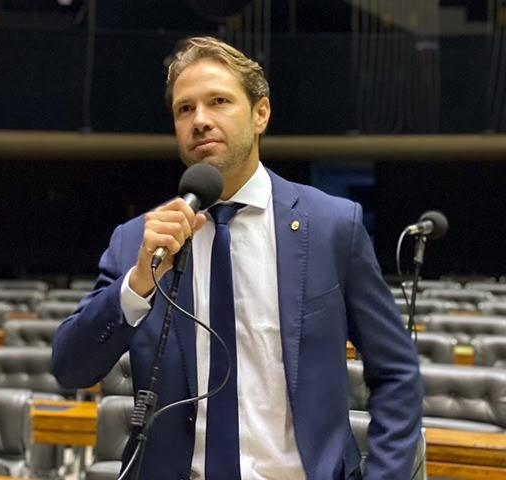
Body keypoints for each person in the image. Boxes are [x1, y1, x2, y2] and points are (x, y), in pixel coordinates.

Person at [52, 36, 422, 480]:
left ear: (260, 113)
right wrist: (138, 284)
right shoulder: (138, 240)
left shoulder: (332, 226)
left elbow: (396, 372)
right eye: (184, 109)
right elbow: (71, 368)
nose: (200, 120)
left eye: (219, 101)